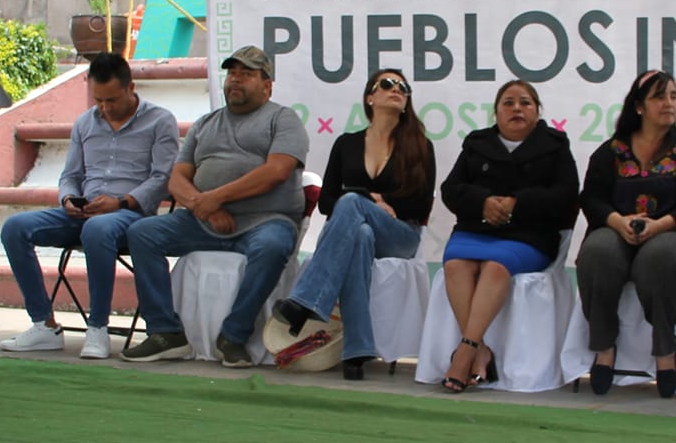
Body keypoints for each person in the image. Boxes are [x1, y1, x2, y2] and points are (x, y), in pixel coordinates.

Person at [121, 47, 310, 366]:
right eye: (232, 73)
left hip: (265, 221)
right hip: (203, 221)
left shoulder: (283, 119)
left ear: (267, 86)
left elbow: (275, 172)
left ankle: (233, 336)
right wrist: (202, 206)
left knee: (275, 244)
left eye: (246, 74)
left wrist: (215, 198)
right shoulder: (205, 123)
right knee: (141, 233)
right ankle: (165, 332)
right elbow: (177, 178)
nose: (236, 80)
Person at [0, 53, 178, 361]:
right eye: (99, 100)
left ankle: (98, 328)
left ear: (131, 87)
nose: (105, 108)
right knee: (15, 228)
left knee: (97, 229)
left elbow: (162, 179)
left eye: (112, 100)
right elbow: (71, 176)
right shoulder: (85, 122)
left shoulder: (160, 120)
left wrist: (120, 202)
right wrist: (68, 199)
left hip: (129, 215)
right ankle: (44, 325)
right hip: (86, 211)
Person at [270, 68, 436, 380]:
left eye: (403, 86)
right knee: (359, 233)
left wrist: (365, 200)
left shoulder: (420, 146)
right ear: (370, 97)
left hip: (401, 236)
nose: (396, 89)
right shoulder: (346, 144)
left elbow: (419, 205)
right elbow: (326, 202)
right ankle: (357, 350)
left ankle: (306, 301)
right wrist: (370, 199)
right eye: (387, 84)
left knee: (352, 204)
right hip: (361, 230)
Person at [574, 70, 676, 399]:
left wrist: (659, 225)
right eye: (659, 97)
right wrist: (616, 221)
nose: (669, 104)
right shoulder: (611, 151)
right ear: (638, 106)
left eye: (672, 96)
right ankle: (604, 347)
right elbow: (591, 198)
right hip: (619, 230)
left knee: (660, 256)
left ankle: (665, 352)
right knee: (598, 253)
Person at [434, 79, 579, 392]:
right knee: (456, 265)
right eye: (508, 103)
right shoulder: (477, 143)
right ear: (496, 112)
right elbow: (451, 190)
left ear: (537, 112)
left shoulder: (554, 145)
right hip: (477, 229)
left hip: (530, 236)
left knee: (495, 266)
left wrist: (518, 204)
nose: (517, 108)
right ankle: (481, 349)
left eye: (525, 102)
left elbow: (566, 195)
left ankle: (464, 354)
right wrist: (482, 202)